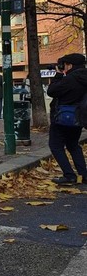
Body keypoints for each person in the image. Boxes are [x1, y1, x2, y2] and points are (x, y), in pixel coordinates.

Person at [47, 53, 87, 185]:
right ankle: (84, 174)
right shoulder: (84, 77)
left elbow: (51, 91)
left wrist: (58, 75)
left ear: (70, 65)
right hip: (79, 117)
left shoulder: (70, 79)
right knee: (73, 145)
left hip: (62, 117)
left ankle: (69, 175)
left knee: (56, 145)